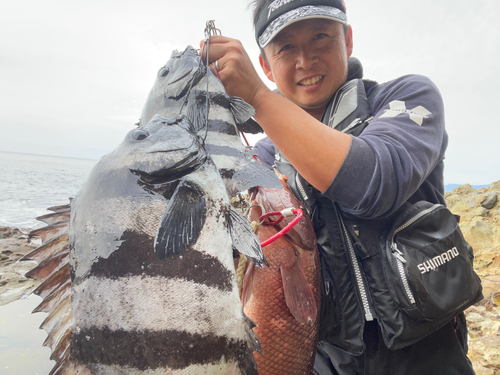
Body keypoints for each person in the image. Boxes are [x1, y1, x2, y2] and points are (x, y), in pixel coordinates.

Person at [202, 0, 476, 374]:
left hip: (431, 355)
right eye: (285, 47)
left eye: (320, 37)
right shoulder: (259, 159)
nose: (305, 60)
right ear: (264, 65)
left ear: (347, 39)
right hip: (321, 360)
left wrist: (258, 99)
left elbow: (374, 182)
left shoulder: (405, 100)